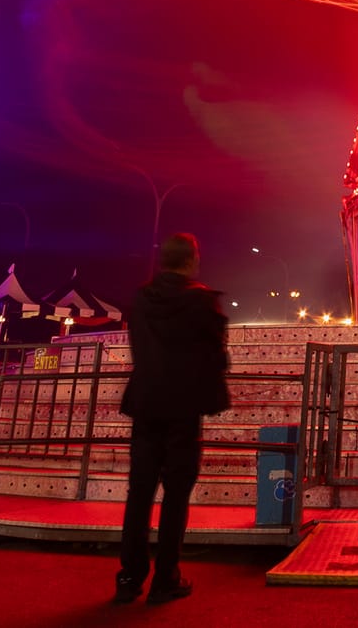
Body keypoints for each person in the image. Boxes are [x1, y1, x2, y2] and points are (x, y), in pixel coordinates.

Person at [115, 232, 231, 606]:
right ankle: (166, 578)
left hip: (146, 403)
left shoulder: (141, 299)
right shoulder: (201, 301)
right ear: (192, 259)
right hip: (182, 408)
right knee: (176, 495)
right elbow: (216, 356)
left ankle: (129, 577)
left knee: (139, 493)